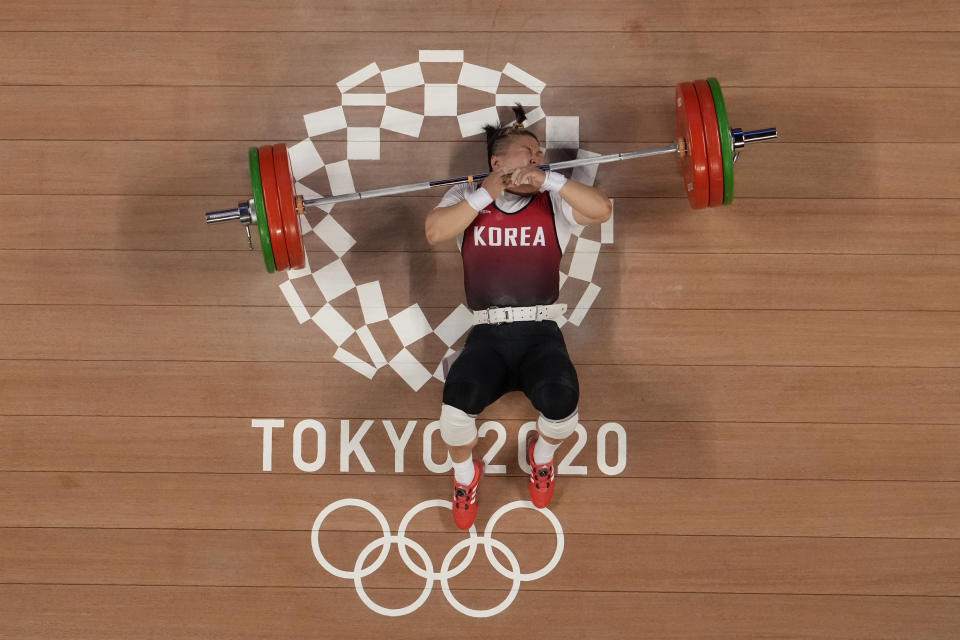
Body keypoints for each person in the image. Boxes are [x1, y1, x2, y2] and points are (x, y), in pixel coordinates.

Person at [424, 105, 613, 530]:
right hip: (487, 335)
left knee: (564, 408)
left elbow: (601, 210)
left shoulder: (553, 202)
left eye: (539, 154)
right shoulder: (464, 198)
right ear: (497, 161)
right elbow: (435, 232)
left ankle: (541, 458)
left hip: (540, 333)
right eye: (528, 152)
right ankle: (464, 475)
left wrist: (552, 179)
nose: (536, 158)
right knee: (453, 415)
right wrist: (484, 194)